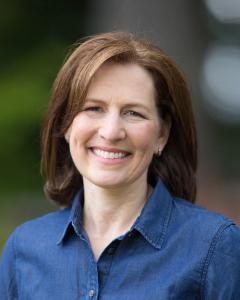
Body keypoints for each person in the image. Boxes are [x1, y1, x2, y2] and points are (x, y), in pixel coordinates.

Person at [0, 31, 240, 300]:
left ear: (162, 133)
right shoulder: (25, 249)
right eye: (94, 108)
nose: (112, 131)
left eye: (133, 113)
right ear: (66, 124)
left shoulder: (214, 246)